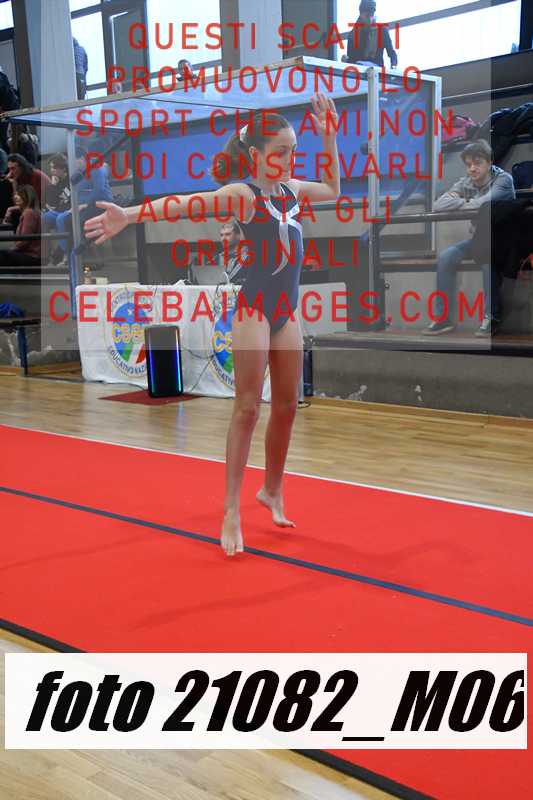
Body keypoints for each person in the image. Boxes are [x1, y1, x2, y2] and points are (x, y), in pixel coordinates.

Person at [84, 93, 340, 556]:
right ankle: (230, 510)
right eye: (281, 151)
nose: (289, 159)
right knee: (248, 408)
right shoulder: (243, 194)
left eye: (294, 151)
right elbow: (184, 204)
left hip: (287, 312)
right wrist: (130, 215)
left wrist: (329, 139)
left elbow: (334, 190)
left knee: (287, 405)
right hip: (254, 310)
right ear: (256, 155)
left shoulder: (293, 191)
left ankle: (272, 490)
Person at [424, 140, 515, 337]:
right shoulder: (466, 181)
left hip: (506, 241)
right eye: (468, 164)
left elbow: (483, 204)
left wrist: (461, 202)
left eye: (477, 163)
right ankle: (443, 318)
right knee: (446, 257)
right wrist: (468, 201)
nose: (472, 169)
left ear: (489, 162)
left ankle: (491, 317)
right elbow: (438, 205)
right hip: (480, 239)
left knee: (487, 257)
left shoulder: (503, 180)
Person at [344, 1, 398, 68]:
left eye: (371, 14)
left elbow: (391, 53)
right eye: (367, 15)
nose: (370, 18)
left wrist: (393, 66)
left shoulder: (382, 30)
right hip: (359, 69)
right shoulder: (353, 34)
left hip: (376, 69)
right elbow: (351, 59)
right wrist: (346, 60)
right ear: (361, 14)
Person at [0, 185, 41, 267]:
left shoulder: (29, 213)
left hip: (31, 256)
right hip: (29, 254)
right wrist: (10, 209)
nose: (15, 197)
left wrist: (11, 249)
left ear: (28, 197)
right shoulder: (30, 211)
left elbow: (25, 241)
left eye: (19, 195)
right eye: (15, 194)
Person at [43, 153, 71, 264]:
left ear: (63, 168)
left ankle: (65, 254)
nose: (51, 171)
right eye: (51, 168)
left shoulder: (71, 179)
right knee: (44, 218)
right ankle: (46, 254)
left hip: (71, 211)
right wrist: (53, 186)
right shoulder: (56, 182)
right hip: (59, 211)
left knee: (61, 219)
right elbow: (52, 204)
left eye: (54, 168)